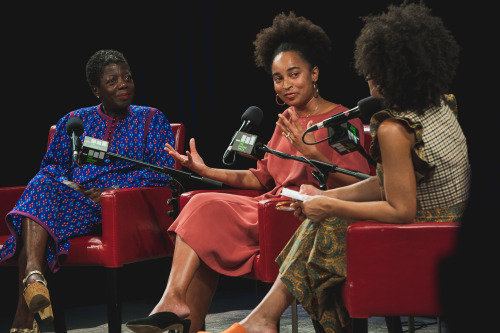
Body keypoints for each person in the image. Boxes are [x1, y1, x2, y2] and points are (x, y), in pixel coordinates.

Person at [205, 3, 471, 333]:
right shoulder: (441, 105)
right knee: (321, 221)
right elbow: (385, 182)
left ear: (387, 76)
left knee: (325, 227)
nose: (367, 81)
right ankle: (263, 320)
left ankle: (263, 320)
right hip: (454, 224)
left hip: (424, 235)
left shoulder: (392, 128)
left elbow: (401, 209)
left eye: (370, 74)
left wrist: (329, 202)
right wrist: (321, 197)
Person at [125, 12, 370, 333]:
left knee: (203, 215)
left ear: (314, 73)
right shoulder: (286, 120)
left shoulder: (341, 120)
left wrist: (310, 153)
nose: (286, 85)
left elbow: (360, 184)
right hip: (266, 208)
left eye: (294, 74)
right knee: (200, 203)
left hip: (305, 216)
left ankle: (181, 311)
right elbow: (261, 178)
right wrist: (205, 169)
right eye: (278, 78)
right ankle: (175, 304)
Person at [0, 49, 175, 333]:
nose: (123, 84)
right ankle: (32, 283)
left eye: (128, 77)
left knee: (33, 217)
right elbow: (51, 166)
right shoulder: (75, 122)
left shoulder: (151, 120)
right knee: (43, 187)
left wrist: (114, 188)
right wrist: (70, 185)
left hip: (120, 209)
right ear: (96, 89)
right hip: (73, 200)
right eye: (112, 80)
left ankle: (28, 303)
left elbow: (163, 171)